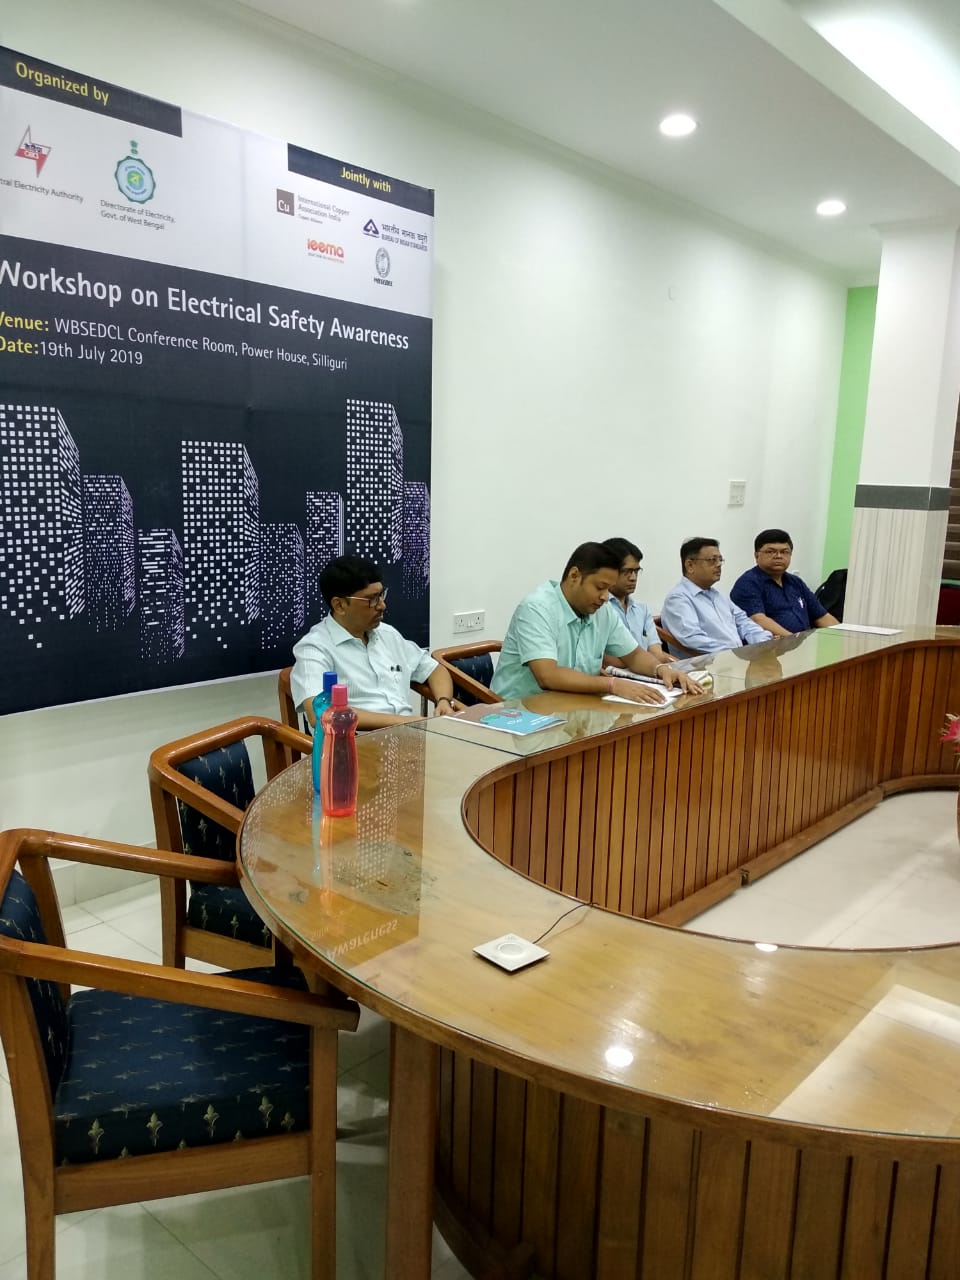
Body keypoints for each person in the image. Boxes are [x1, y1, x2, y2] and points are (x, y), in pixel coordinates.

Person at [490, 542, 704, 703]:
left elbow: (634, 655)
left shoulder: (602, 611)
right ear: (574, 576)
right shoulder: (537, 609)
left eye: (609, 589)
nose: (605, 597)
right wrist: (612, 685)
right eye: (600, 587)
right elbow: (548, 676)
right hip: (519, 713)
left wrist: (661, 669)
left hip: (574, 707)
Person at [291, 555, 464, 730]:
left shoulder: (388, 634)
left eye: (381, 595)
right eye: (372, 599)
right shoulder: (314, 648)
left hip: (409, 735)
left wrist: (443, 701)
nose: (382, 605)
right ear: (339, 605)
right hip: (358, 741)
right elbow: (321, 714)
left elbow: (435, 670)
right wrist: (406, 722)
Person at [660, 537, 772, 654]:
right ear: (690, 565)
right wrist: (734, 653)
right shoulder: (677, 599)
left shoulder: (717, 595)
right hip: (706, 663)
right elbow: (693, 639)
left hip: (734, 659)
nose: (719, 565)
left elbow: (743, 622)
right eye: (712, 560)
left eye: (720, 560)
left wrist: (764, 641)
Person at [730, 529, 839, 635]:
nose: (778, 556)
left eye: (784, 552)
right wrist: (794, 641)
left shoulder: (796, 582)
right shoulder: (748, 583)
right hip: (771, 645)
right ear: (756, 555)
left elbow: (821, 616)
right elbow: (757, 620)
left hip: (802, 641)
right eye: (770, 552)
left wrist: (842, 636)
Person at [602, 536, 674, 667]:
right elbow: (606, 659)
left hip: (649, 670)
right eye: (627, 571)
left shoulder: (642, 609)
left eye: (636, 571)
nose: (633, 578)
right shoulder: (599, 608)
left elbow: (656, 653)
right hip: (617, 674)